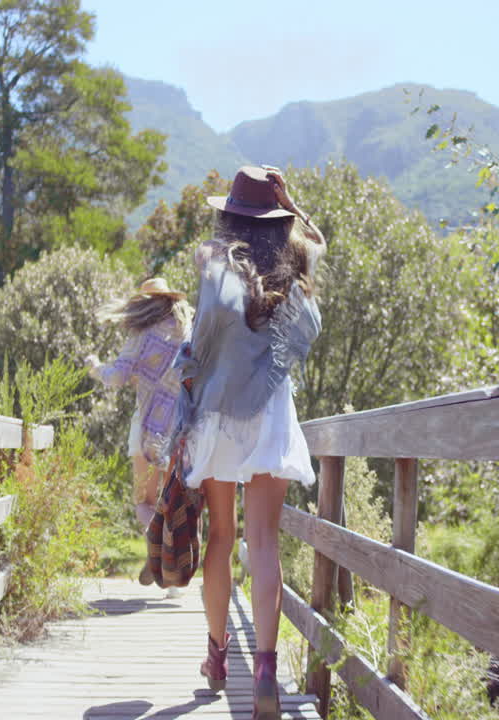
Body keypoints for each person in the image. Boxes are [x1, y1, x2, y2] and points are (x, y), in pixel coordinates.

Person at [172, 165, 325, 719]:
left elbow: (201, 346)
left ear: (228, 214)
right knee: (262, 541)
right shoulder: (297, 272)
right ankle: (265, 669)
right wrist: (294, 204)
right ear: (279, 219)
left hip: (218, 413)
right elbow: (318, 244)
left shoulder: (213, 265)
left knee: (221, 536)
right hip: (270, 414)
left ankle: (217, 659)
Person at [85, 278, 193, 591]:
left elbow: (117, 377)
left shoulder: (140, 334)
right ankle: (172, 582)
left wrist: (94, 367)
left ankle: (155, 544)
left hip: (147, 424)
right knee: (173, 502)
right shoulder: (186, 331)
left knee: (143, 501)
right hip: (181, 426)